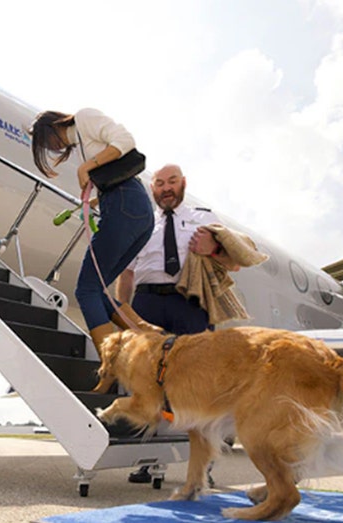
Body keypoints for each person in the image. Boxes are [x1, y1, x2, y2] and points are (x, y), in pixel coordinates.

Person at [115, 163, 238, 484]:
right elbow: (126, 274)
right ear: (152, 188)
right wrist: (124, 316)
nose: (166, 188)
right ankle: (145, 459)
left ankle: (202, 465)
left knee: (198, 385)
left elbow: (234, 261)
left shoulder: (203, 217)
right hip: (146, 303)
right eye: (159, 183)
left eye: (171, 182)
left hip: (190, 304)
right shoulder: (140, 224)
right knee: (146, 384)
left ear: (182, 183)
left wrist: (213, 248)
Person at [28, 108, 153, 351]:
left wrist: (86, 168)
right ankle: (149, 337)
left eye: (46, 141)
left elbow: (125, 141)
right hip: (134, 209)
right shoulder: (83, 143)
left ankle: (111, 364)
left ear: (53, 126)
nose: (52, 148)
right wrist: (95, 198)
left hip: (124, 204)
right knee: (97, 290)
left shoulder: (84, 117)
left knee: (85, 290)